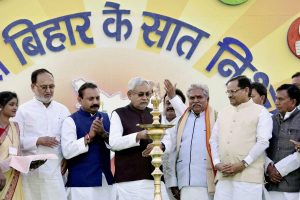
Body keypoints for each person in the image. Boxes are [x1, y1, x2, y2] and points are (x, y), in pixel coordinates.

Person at [210, 75, 273, 200]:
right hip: (224, 176)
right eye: (228, 92)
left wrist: (244, 163)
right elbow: (213, 140)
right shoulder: (223, 112)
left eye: (233, 91)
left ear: (246, 90)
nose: (229, 95)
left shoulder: (261, 112)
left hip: (248, 178)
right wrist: (217, 163)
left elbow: (263, 142)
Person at [109, 77, 170, 200]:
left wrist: (160, 145)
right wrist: (138, 136)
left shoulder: (156, 114)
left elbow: (168, 139)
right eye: (141, 94)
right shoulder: (119, 114)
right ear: (129, 95)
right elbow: (114, 143)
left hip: (155, 177)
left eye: (148, 94)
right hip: (129, 182)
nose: (145, 98)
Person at [14, 68, 70, 200]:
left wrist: (68, 160)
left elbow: (69, 140)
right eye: (44, 87)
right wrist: (37, 140)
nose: (48, 91)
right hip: (32, 173)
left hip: (56, 172)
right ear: (33, 87)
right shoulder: (22, 111)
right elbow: (14, 141)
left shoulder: (63, 110)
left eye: (51, 86)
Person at [61, 82, 114, 200]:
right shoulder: (70, 121)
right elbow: (67, 151)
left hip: (105, 182)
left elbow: (115, 145)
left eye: (97, 98)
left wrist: (103, 133)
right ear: (79, 100)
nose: (95, 102)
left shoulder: (106, 117)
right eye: (90, 99)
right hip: (81, 185)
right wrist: (89, 137)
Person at [166, 83, 216, 200]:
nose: (195, 101)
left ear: (207, 99)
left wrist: (173, 97)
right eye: (192, 98)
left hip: (208, 182)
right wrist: (173, 182)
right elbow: (173, 153)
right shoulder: (181, 120)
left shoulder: (216, 119)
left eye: (199, 97)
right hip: (184, 182)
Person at [265, 84, 300, 200]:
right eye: (276, 98)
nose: (276, 102)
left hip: (293, 188)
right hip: (270, 186)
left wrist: (279, 170)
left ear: (293, 102)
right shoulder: (270, 120)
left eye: (281, 99)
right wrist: (268, 167)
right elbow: (262, 147)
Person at [161, 83, 186, 200]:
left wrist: (173, 183)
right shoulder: (153, 122)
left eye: (174, 103)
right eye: (167, 103)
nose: (170, 106)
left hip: (179, 181)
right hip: (152, 180)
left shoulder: (186, 124)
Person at [0, 91, 24, 199]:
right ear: (1, 106)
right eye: (11, 104)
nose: (15, 107)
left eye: (16, 104)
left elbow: (17, 150)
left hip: (14, 174)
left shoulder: (15, 126)